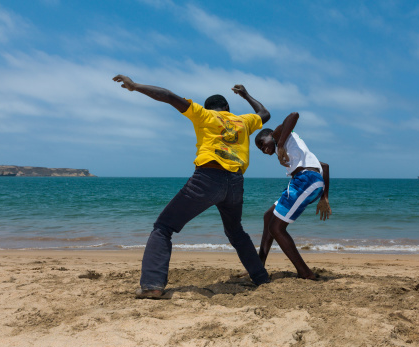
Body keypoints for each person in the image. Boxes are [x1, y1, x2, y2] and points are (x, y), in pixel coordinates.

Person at [112, 74, 271, 298]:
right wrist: (245, 95)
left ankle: (152, 286)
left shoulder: (203, 115)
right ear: (227, 107)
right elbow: (265, 114)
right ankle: (261, 278)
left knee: (163, 227)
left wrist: (135, 86)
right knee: (236, 232)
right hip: (235, 182)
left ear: (210, 108)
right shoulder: (242, 121)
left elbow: (168, 96)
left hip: (208, 178)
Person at [254, 112, 331, 280]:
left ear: (269, 135)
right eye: (260, 149)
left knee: (276, 228)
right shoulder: (298, 150)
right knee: (269, 217)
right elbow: (324, 167)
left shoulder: (278, 135)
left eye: (262, 143)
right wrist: (324, 198)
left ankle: (305, 273)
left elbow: (294, 115)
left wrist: (280, 143)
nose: (263, 149)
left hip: (306, 180)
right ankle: (259, 266)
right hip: (305, 181)